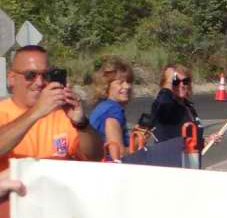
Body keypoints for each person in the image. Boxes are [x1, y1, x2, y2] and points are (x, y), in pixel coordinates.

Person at [0, 46, 104, 174]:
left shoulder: (62, 115)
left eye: (45, 75)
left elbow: (94, 157)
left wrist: (82, 124)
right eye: (30, 75)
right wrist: (36, 112)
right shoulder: (2, 112)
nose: (39, 82)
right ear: (11, 78)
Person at [148, 64, 215, 149]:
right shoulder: (166, 105)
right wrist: (168, 82)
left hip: (189, 160)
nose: (182, 85)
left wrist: (206, 141)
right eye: (175, 81)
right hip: (168, 159)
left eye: (185, 81)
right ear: (166, 84)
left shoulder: (188, 106)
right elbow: (161, 106)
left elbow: (190, 140)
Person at [88, 56, 134, 161]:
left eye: (129, 81)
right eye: (120, 82)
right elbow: (118, 153)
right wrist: (138, 141)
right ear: (107, 86)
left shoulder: (102, 106)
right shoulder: (113, 110)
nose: (127, 86)